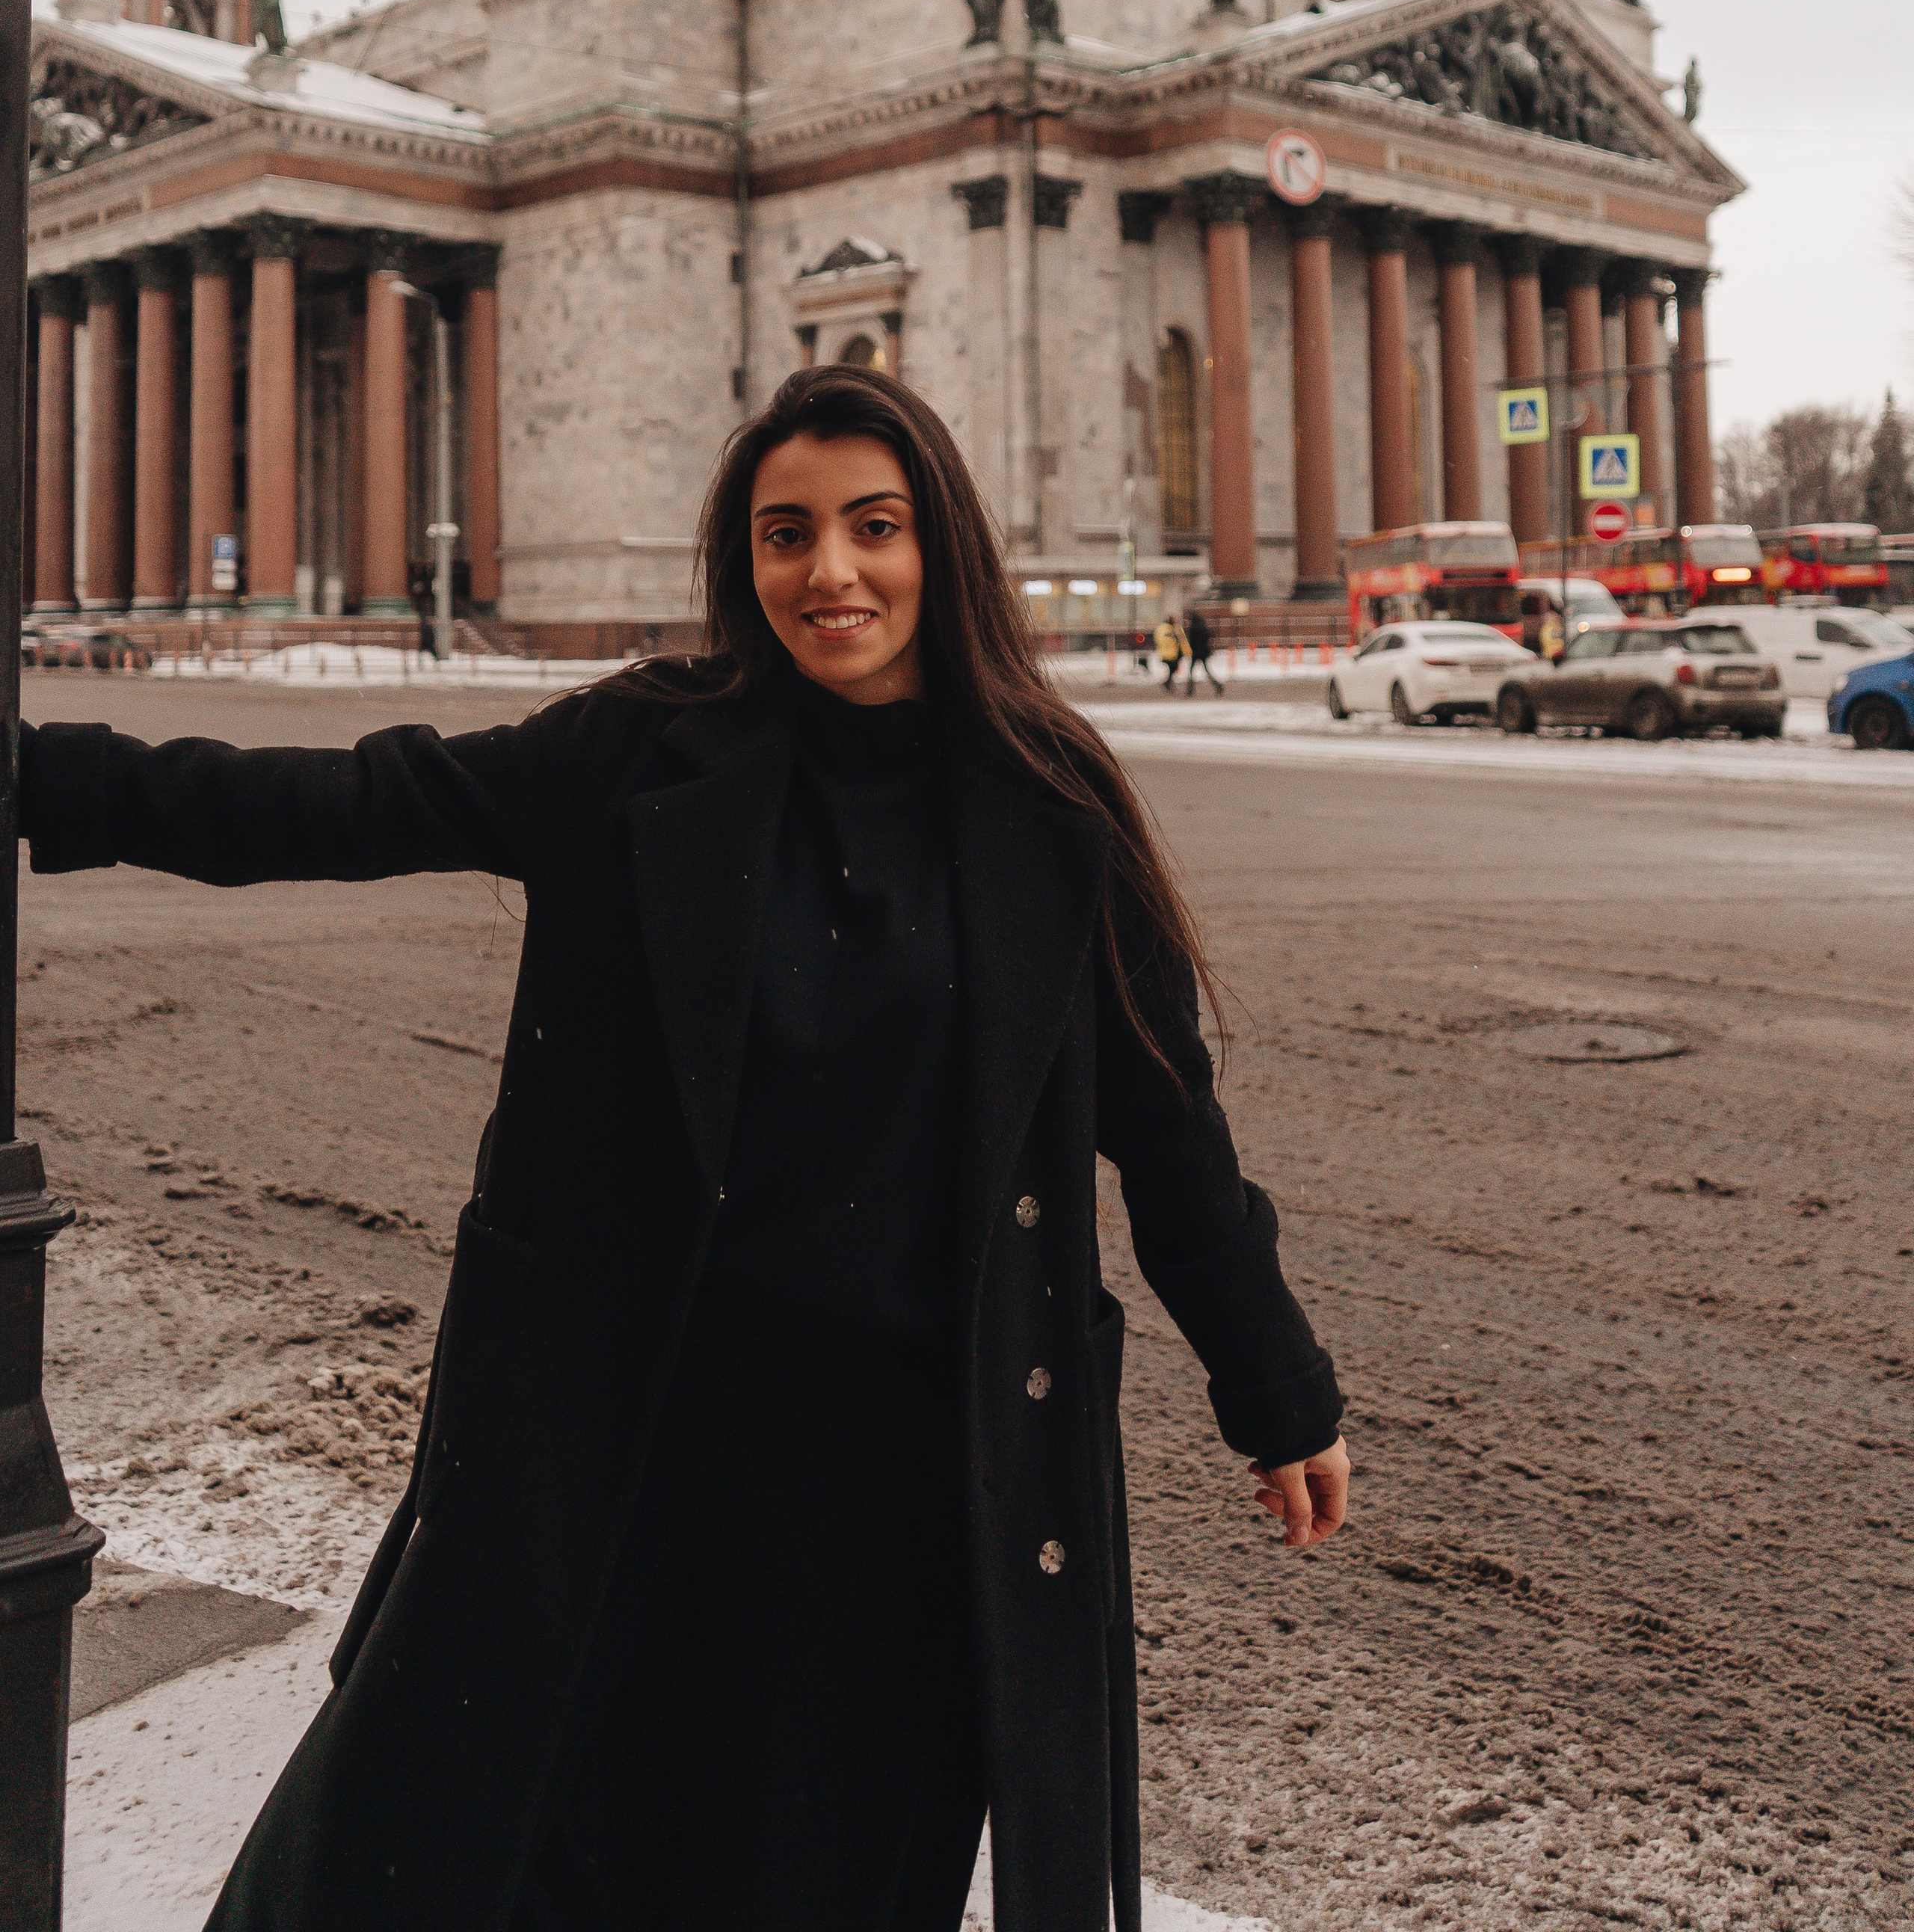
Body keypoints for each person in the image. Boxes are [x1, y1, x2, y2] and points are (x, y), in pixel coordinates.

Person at [19, 364, 1348, 1932]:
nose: (828, 574)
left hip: (903, 1494)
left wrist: (1276, 1392)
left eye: (873, 527)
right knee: (479, 1856)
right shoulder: (645, 751)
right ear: (744, 561)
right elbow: (347, 802)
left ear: (944, 550)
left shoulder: (1052, 816)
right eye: (786, 535)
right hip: (619, 1450)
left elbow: (1170, 1133)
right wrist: (38, 772)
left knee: (812, 1874)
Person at [1184, 606, 1224, 695]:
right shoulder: (1203, 626)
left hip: (1196, 652)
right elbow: (1209, 637)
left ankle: (1190, 690)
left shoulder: (1193, 628)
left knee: (1191, 671)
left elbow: (1191, 641)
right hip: (1204, 652)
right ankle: (1217, 685)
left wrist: (1190, 651)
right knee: (1207, 670)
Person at [1152, 611, 1189, 690]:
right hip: (1168, 654)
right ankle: (1168, 683)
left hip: (1177, 653)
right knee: (1172, 668)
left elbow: (1183, 641)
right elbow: (1162, 640)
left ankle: (1168, 683)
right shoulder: (1164, 628)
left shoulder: (1176, 628)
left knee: (1172, 669)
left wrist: (1187, 651)